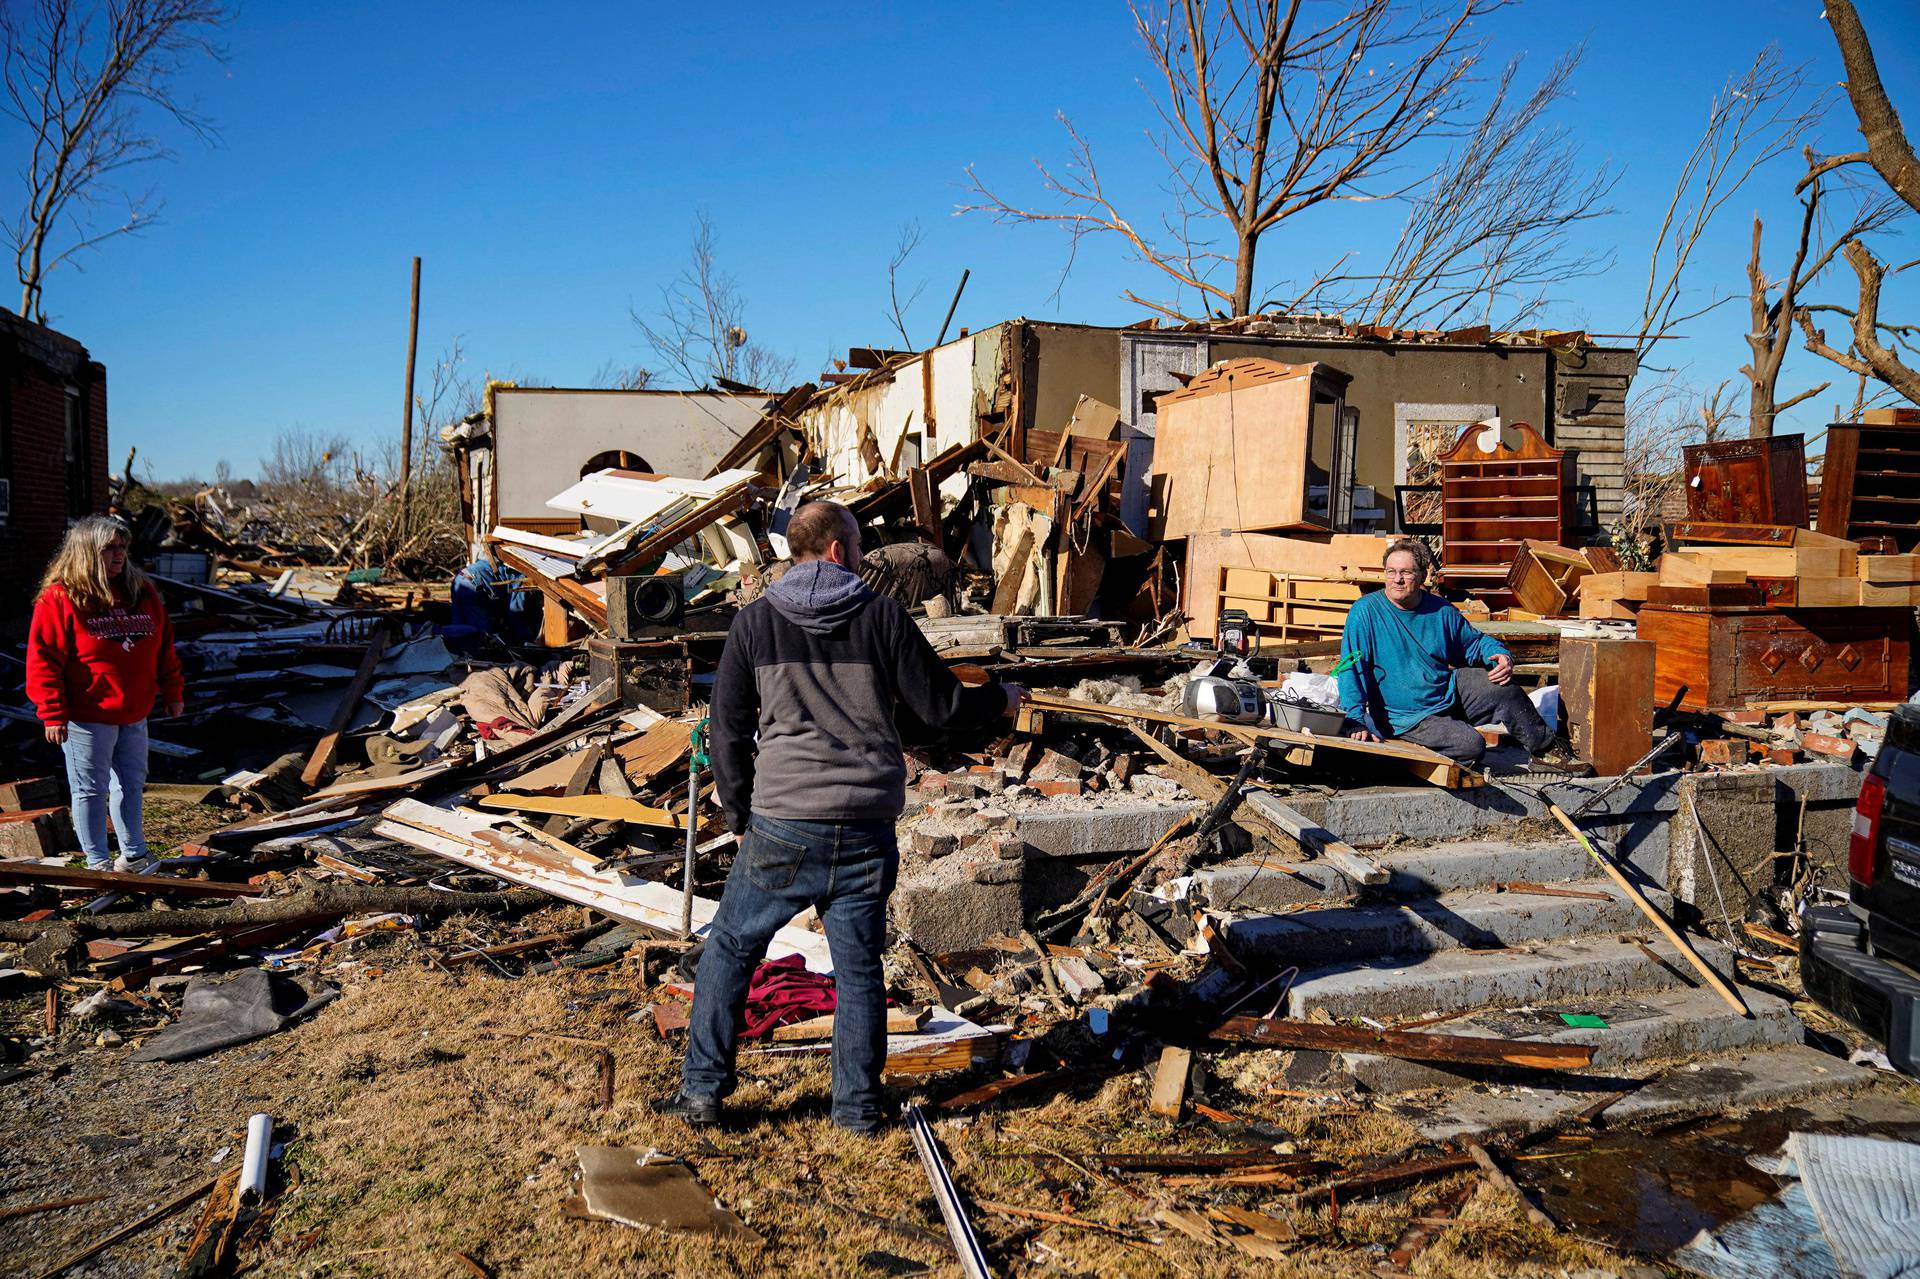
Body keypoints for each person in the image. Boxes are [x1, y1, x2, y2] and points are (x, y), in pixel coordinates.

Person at [655, 501, 1025, 1134]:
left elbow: (727, 730)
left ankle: (701, 1096)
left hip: (782, 823)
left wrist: (740, 811)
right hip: (864, 825)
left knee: (731, 950)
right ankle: (855, 1110)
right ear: (834, 549)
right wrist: (1000, 697)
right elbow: (939, 708)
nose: (862, 557)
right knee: (858, 969)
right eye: (856, 544)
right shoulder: (882, 616)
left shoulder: (754, 624)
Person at [26, 515, 185, 872]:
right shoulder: (61, 598)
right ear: (85, 552)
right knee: (90, 790)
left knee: (131, 785)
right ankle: (97, 862)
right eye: (108, 548)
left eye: (122, 547)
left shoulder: (140, 592)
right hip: (87, 714)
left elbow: (164, 647)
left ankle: (134, 853)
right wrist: (51, 711)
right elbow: (43, 659)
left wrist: (172, 690)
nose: (118, 555)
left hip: (134, 711)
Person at [1337, 538, 1574, 772]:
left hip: (1445, 692)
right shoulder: (1366, 611)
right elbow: (1352, 669)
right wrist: (1354, 719)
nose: (1397, 579)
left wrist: (1500, 654)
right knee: (1471, 745)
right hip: (1405, 717)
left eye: (1406, 572)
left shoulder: (1440, 610)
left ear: (1421, 576)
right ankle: (1414, 742)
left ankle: (1547, 753)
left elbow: (1474, 643)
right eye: (1391, 572)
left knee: (1503, 687)